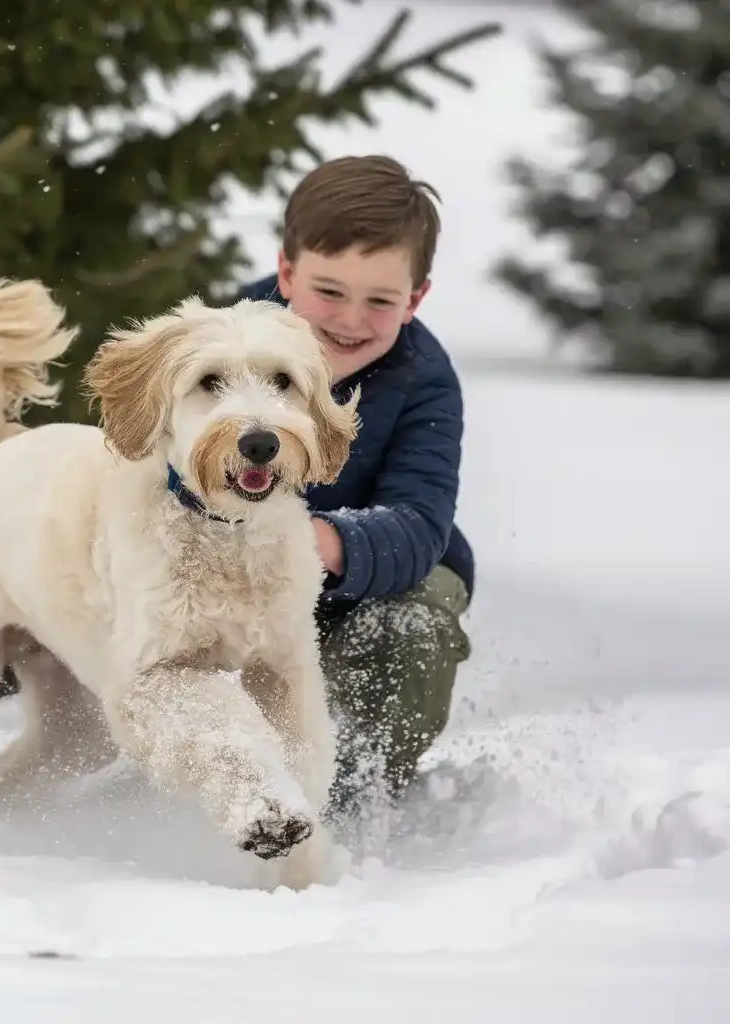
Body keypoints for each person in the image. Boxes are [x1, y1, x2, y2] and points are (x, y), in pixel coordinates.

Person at [234, 155, 475, 820]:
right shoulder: (223, 344)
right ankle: (173, 771)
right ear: (287, 274)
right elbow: (160, 470)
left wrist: (319, 542)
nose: (350, 319)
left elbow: (420, 521)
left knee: (424, 609)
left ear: (415, 300)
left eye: (380, 301)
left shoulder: (423, 379)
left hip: (348, 599)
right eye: (329, 291)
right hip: (224, 579)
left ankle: (346, 798)